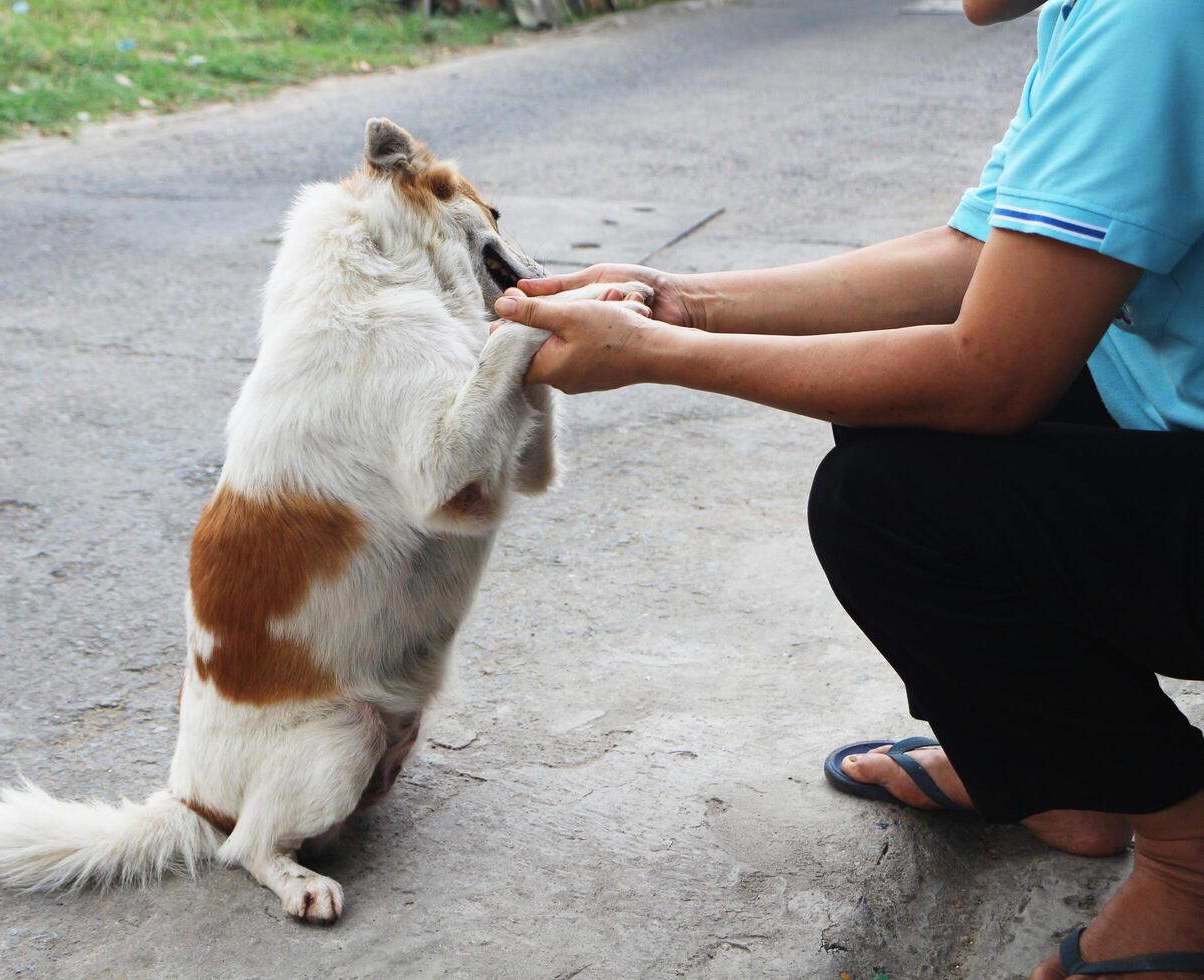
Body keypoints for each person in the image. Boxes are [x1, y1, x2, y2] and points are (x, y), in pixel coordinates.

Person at [491, 0, 1204, 976]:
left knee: (886, 500)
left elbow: (990, 375)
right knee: (888, 407)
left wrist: (660, 355)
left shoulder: (1151, 17)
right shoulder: (1100, 13)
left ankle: (1189, 861)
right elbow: (974, 256)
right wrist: (685, 299)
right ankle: (1051, 764)